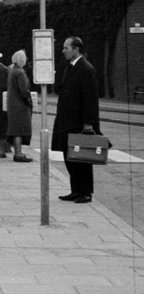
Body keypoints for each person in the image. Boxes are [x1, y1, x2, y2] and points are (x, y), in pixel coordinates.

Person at [51, 36, 100, 203]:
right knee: (69, 156)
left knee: (83, 158)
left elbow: (90, 99)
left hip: (78, 122)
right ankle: (75, 189)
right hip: (66, 121)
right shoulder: (70, 67)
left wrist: (88, 123)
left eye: (66, 47)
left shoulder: (86, 69)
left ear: (76, 49)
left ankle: (86, 191)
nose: (63, 50)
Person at [4, 49, 34, 163]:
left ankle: (18, 152)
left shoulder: (12, 70)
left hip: (13, 104)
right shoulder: (20, 72)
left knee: (16, 129)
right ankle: (18, 153)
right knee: (19, 130)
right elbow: (23, 90)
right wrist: (29, 99)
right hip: (20, 105)